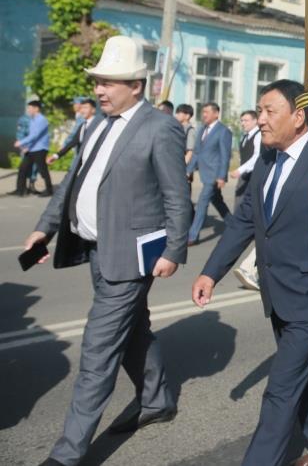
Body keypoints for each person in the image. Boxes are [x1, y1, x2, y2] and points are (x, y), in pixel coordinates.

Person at [22, 35, 189, 466]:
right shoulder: (96, 123)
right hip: (97, 250)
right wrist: (44, 229)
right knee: (133, 330)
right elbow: (73, 182)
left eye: (108, 82)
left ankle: (67, 453)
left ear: (136, 85)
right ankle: (156, 400)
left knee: (97, 349)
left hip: (132, 257)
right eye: (97, 81)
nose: (99, 89)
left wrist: (173, 250)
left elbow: (177, 197)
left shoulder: (160, 128)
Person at [192, 79, 308, 466]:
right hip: (277, 290)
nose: (261, 119)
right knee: (305, 369)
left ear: (299, 116)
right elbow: (244, 221)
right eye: (259, 111)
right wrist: (211, 273)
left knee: (281, 388)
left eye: (270, 111)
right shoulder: (267, 159)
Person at [185, 102, 233, 245]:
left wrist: (222, 176)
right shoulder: (202, 129)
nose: (204, 114)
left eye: (207, 112)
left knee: (202, 203)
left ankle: (192, 237)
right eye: (203, 112)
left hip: (214, 175)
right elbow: (197, 152)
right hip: (204, 173)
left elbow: (225, 155)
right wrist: (189, 170)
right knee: (217, 201)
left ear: (216, 113)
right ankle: (235, 225)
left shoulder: (223, 131)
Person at [230, 109, 263, 290]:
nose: (243, 123)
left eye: (246, 120)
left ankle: (251, 267)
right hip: (245, 177)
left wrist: (241, 170)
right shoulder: (245, 137)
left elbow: (257, 157)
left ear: (255, 121)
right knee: (240, 209)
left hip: (253, 177)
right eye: (242, 120)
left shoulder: (259, 136)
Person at [14, 100, 53, 197]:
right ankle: (20, 190)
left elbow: (35, 135)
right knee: (23, 168)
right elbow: (32, 136)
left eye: (30, 108)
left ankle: (49, 190)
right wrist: (27, 147)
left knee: (43, 170)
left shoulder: (41, 120)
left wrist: (21, 142)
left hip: (40, 149)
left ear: (36, 108)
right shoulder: (32, 119)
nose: (28, 110)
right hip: (31, 149)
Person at [49, 98, 100, 165]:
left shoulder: (99, 125)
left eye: (85, 108)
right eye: (82, 108)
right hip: (81, 160)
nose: (82, 110)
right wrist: (56, 156)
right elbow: (73, 142)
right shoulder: (82, 126)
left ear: (93, 110)